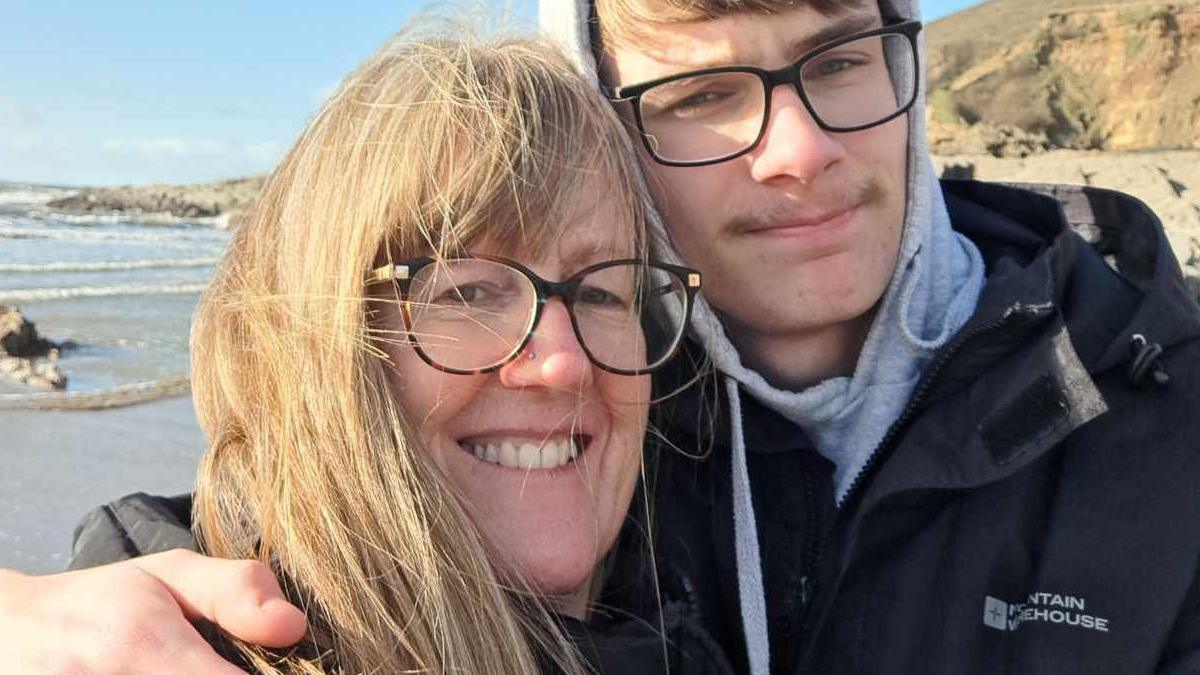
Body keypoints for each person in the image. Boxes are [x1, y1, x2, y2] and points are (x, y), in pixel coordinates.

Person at [7, 0, 1200, 672]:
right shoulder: (611, 414)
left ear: (913, 66)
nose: (796, 152)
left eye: (839, 61)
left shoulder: (1161, 411)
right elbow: (286, 523)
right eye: (700, 96)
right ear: (610, 129)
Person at [1, 27, 733, 675]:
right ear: (318, 338)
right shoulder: (158, 642)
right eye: (468, 290)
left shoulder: (693, 599)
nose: (564, 361)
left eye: (602, 293)